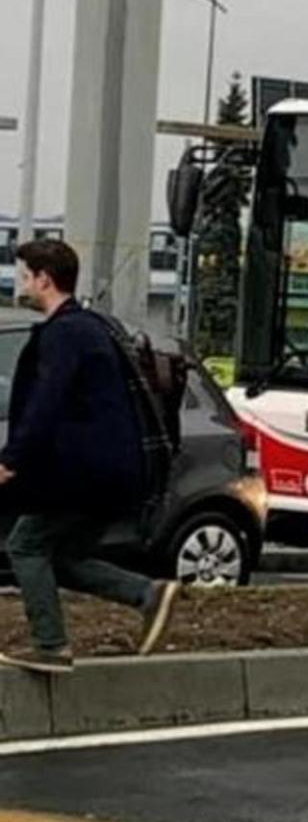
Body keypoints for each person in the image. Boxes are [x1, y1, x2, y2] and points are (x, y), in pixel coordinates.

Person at [0, 240, 179, 674]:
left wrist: (12, 458)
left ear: (44, 278)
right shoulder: (92, 326)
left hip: (83, 473)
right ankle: (147, 594)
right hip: (115, 471)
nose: (21, 282)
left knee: (25, 545)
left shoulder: (65, 334)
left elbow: (47, 401)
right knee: (63, 557)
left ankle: (51, 645)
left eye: (25, 274)